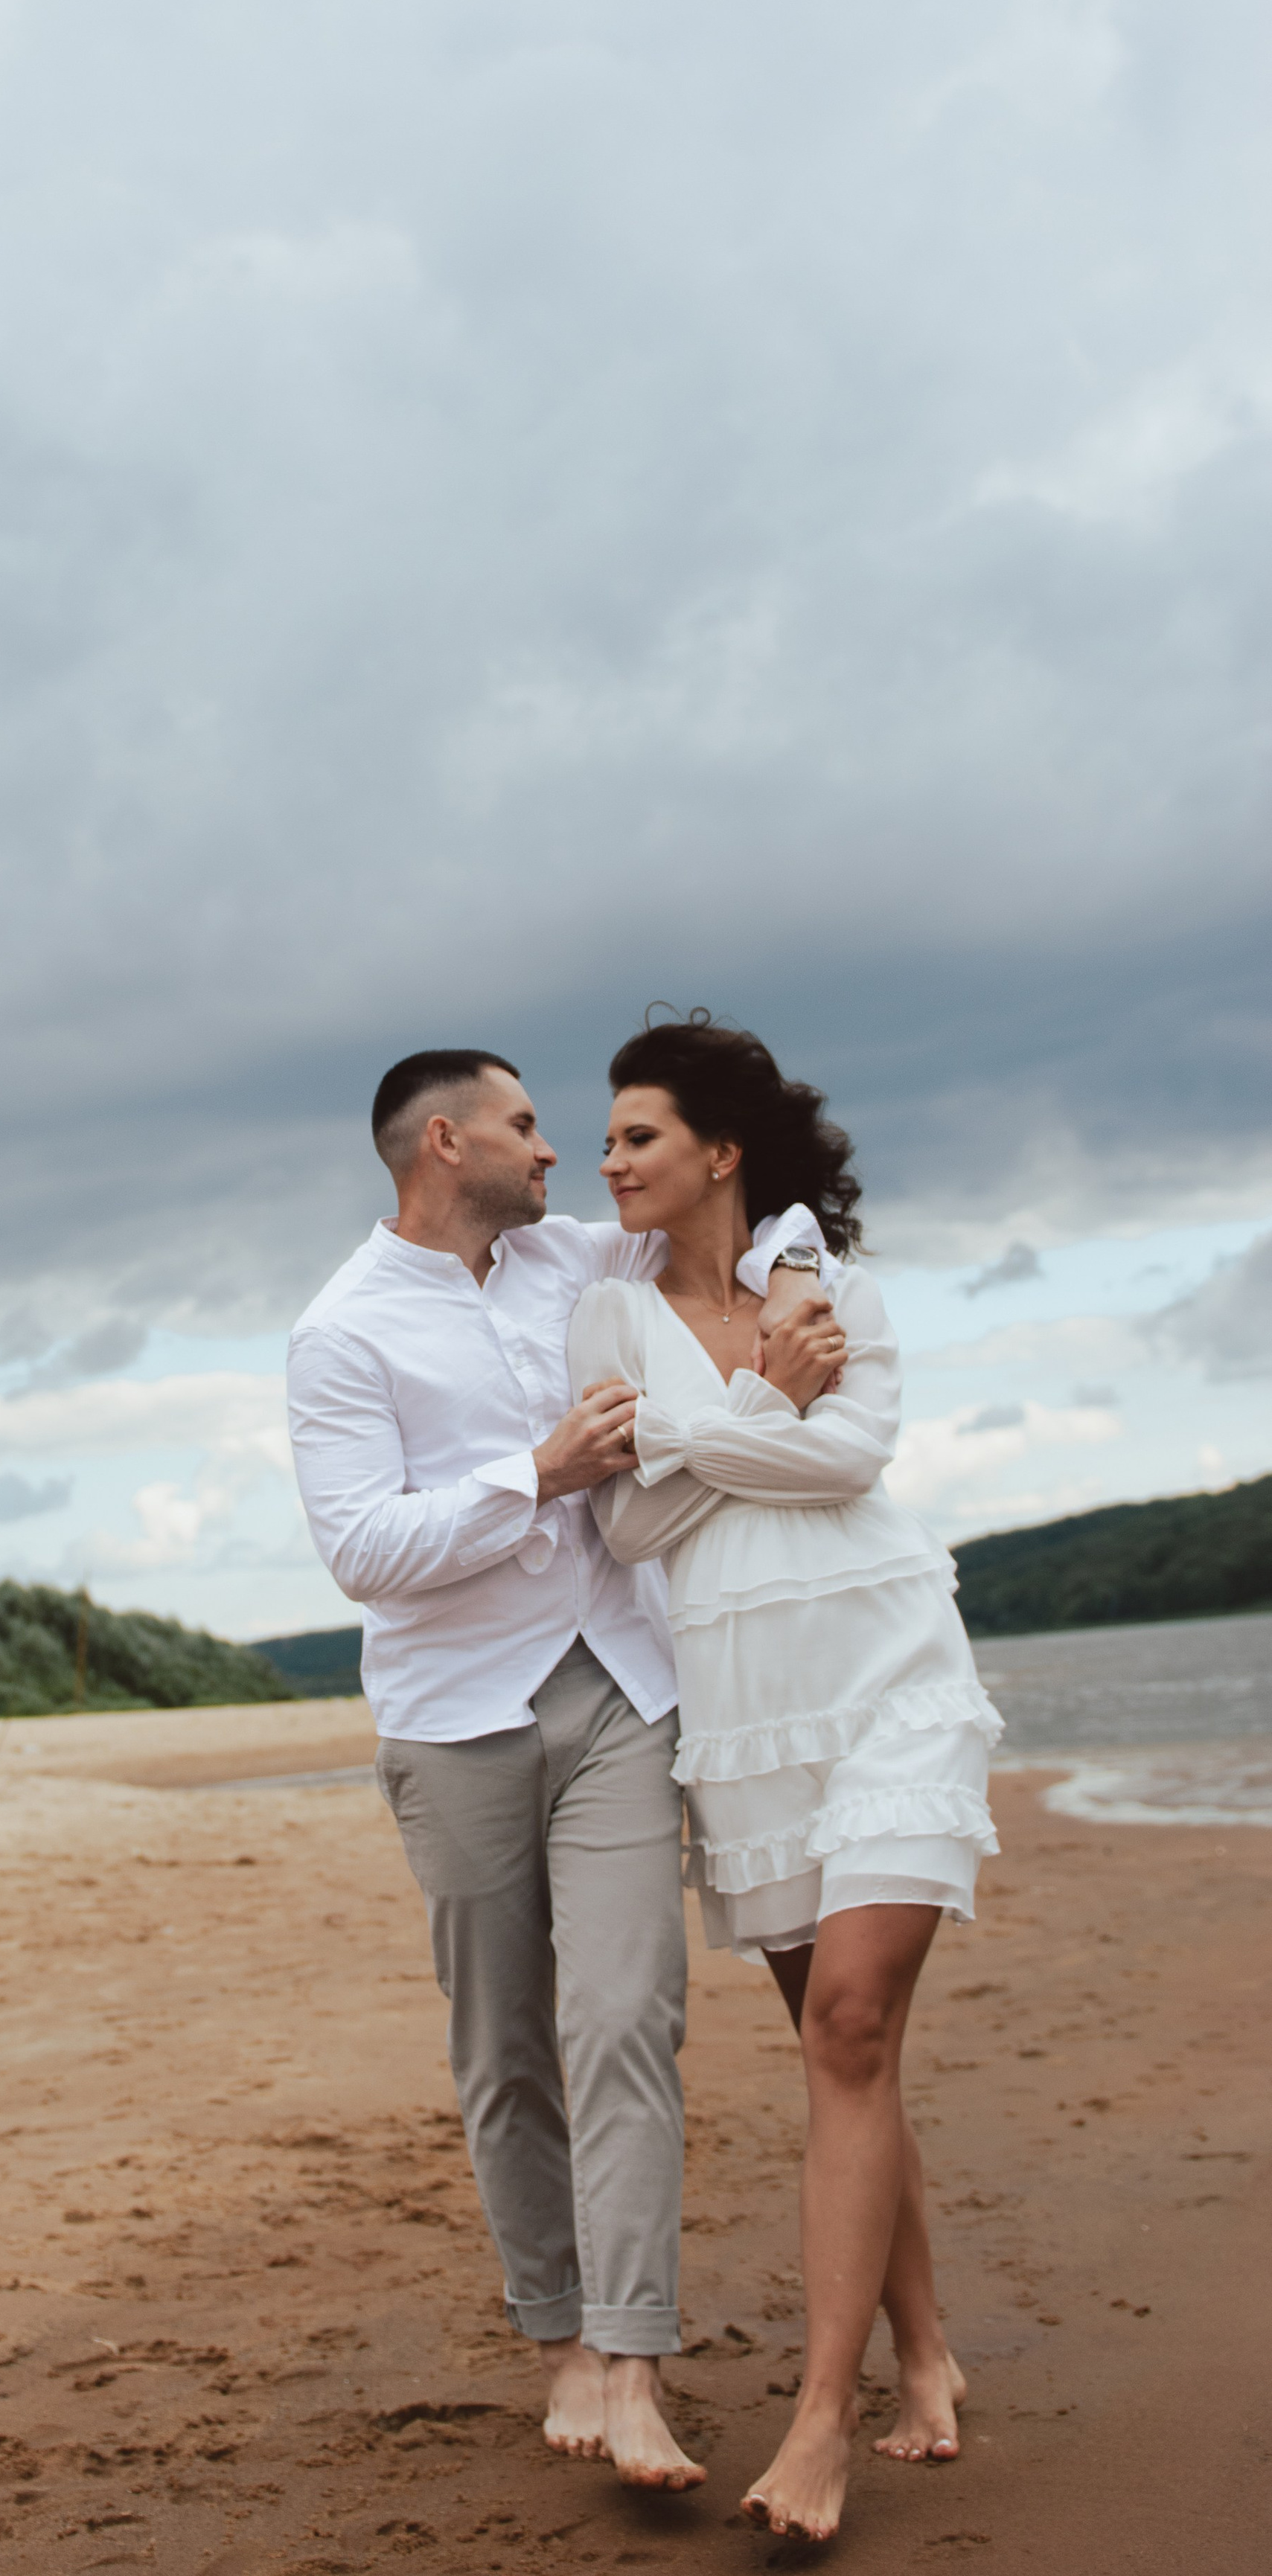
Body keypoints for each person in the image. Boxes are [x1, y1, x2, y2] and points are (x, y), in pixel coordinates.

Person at [286, 1048, 843, 2485]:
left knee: (626, 2015)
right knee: (507, 2048)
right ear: (443, 1143)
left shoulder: (578, 1255)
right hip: (453, 1714)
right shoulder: (340, 1333)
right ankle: (565, 2344)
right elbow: (361, 1553)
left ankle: (639, 2363)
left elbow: (763, 1214)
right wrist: (534, 1474)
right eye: (529, 1128)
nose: (562, 1156)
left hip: (618, 1690)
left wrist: (789, 1292)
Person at [567, 1012, 1003, 2543]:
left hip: (887, 1668)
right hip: (745, 1716)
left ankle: (819, 2420)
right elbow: (621, 1535)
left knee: (848, 2020)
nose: (606, 1161)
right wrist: (761, 1400)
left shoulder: (838, 1291)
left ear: (719, 1152)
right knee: (849, 2061)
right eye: (606, 1138)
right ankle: (927, 2355)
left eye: (635, 1136)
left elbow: (852, 1462)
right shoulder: (608, 1324)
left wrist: (701, 1442)